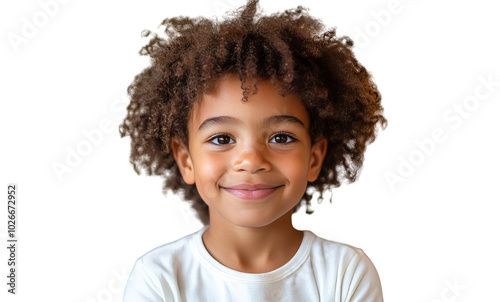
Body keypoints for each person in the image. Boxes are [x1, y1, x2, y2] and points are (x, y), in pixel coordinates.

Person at [120, 0, 387, 300]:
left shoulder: (345, 273)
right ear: (186, 161)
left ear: (314, 158)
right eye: (222, 139)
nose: (251, 161)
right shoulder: (159, 278)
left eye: (281, 138)